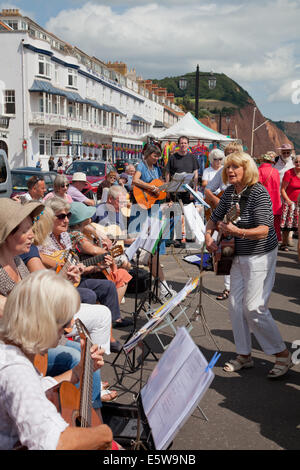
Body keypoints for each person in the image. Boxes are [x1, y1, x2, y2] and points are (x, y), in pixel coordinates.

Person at [0, 198, 116, 403]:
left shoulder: (17, 261)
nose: (32, 235)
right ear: (7, 235)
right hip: (15, 351)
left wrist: (64, 278)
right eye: (25, 231)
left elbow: (37, 295)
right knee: (79, 357)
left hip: (31, 342)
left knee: (87, 354)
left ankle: (89, 413)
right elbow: (18, 308)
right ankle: (89, 416)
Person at [0, 269, 114, 450]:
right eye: (66, 321)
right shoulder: (15, 368)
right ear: (45, 322)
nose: (69, 329)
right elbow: (51, 443)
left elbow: (33, 389)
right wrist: (105, 433)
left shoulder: (11, 354)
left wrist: (77, 372)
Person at [205, 151, 291, 378]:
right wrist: (208, 237)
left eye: (236, 167)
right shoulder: (231, 192)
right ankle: (244, 355)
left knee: (254, 308)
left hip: (260, 254)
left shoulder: (258, 193)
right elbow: (214, 218)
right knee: (235, 306)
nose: (231, 171)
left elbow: (264, 229)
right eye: (228, 167)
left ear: (247, 170)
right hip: (237, 254)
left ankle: (282, 354)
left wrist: (237, 231)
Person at [40, 197, 132, 331]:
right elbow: (48, 265)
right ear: (49, 218)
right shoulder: (45, 240)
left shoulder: (65, 236)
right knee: (89, 294)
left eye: (68, 216)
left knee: (108, 286)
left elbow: (74, 265)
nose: (66, 220)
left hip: (72, 280)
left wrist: (96, 267)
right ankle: (81, 334)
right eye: (61, 216)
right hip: (56, 287)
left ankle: (110, 326)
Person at [68, 201, 132, 306]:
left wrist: (98, 236)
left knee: (122, 274)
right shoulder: (76, 234)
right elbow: (93, 250)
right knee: (122, 274)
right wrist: (108, 252)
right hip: (85, 274)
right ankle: (112, 312)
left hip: (88, 269)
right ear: (81, 220)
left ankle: (113, 311)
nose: (90, 217)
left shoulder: (79, 230)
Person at [204, 142, 243, 301]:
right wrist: (217, 201)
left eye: (234, 152)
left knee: (241, 256)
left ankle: (240, 287)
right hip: (225, 218)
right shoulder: (221, 172)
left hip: (242, 221)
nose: (230, 156)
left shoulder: (246, 173)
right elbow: (207, 190)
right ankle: (228, 287)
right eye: (228, 153)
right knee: (226, 253)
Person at [258, 152, 282, 241]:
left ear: (263, 160)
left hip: (263, 202)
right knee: (275, 225)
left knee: (262, 223)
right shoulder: (275, 172)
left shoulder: (259, 170)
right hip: (275, 202)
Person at [280, 155, 300, 251]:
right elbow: (283, 189)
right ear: (294, 163)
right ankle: (284, 244)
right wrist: (288, 201)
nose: (298, 164)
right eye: (296, 162)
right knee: (288, 225)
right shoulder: (289, 173)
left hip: (299, 203)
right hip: (290, 202)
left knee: (298, 225)